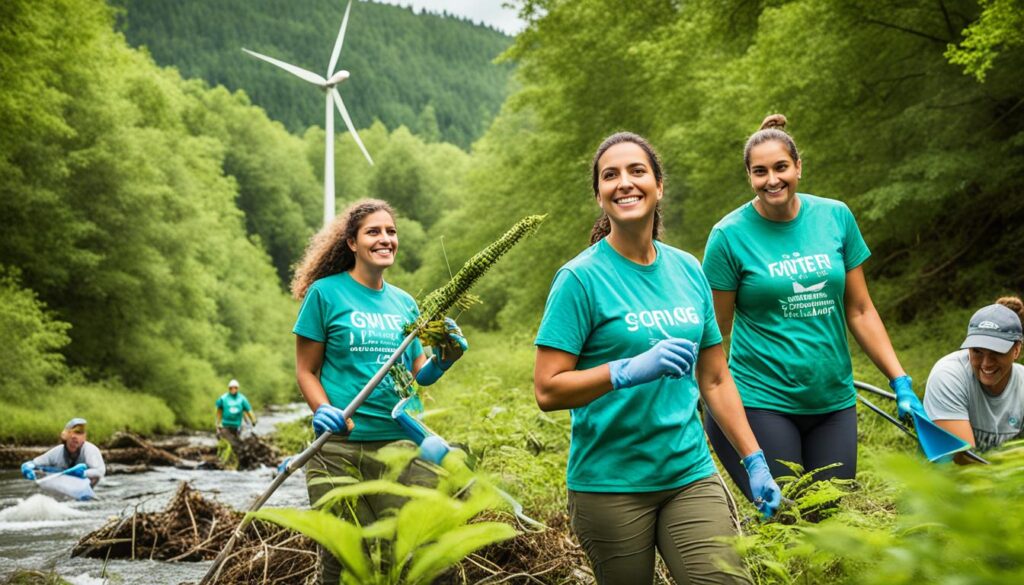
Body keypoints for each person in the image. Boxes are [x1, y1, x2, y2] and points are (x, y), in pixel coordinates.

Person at [533, 132, 779, 585]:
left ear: (658, 186)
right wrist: (625, 371)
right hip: (610, 485)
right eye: (611, 175)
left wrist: (754, 459)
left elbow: (716, 380)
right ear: (600, 195)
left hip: (689, 472)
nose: (624, 183)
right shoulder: (579, 279)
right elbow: (548, 389)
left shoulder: (687, 269)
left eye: (637, 171)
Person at [701, 114, 915, 499]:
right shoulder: (728, 236)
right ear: (749, 176)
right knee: (791, 524)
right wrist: (697, 393)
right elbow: (715, 328)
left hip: (833, 401)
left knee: (831, 523)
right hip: (761, 400)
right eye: (760, 171)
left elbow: (861, 309)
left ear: (799, 167)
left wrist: (899, 380)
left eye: (781, 167)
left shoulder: (836, 216)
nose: (772, 180)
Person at [290, 198, 467, 584]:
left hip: (403, 446)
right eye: (374, 231)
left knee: (431, 556)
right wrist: (322, 410)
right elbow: (306, 370)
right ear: (352, 242)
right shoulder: (325, 294)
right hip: (338, 448)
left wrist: (446, 359)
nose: (385, 238)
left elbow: (418, 373)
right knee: (345, 561)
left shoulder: (405, 303)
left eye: (391, 231)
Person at [924, 297, 1024, 462]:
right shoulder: (948, 375)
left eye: (996, 352)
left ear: (1016, 350)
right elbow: (964, 459)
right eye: (977, 351)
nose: (986, 363)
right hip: (944, 482)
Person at [21, 418, 106, 487]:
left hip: (88, 486)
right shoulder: (57, 452)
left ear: (84, 438)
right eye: (71, 433)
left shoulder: (90, 450)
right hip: (65, 486)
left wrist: (83, 473)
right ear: (65, 437)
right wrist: (27, 466)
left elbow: (100, 471)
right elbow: (35, 463)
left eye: (78, 433)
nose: (74, 437)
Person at [215, 379, 257, 444]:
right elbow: (219, 411)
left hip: (237, 427)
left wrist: (253, 420)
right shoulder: (223, 398)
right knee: (232, 443)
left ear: (238, 388)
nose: (233, 389)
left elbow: (248, 410)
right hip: (225, 426)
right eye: (231, 388)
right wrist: (217, 423)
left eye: (235, 388)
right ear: (229, 388)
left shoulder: (242, 399)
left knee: (237, 442)